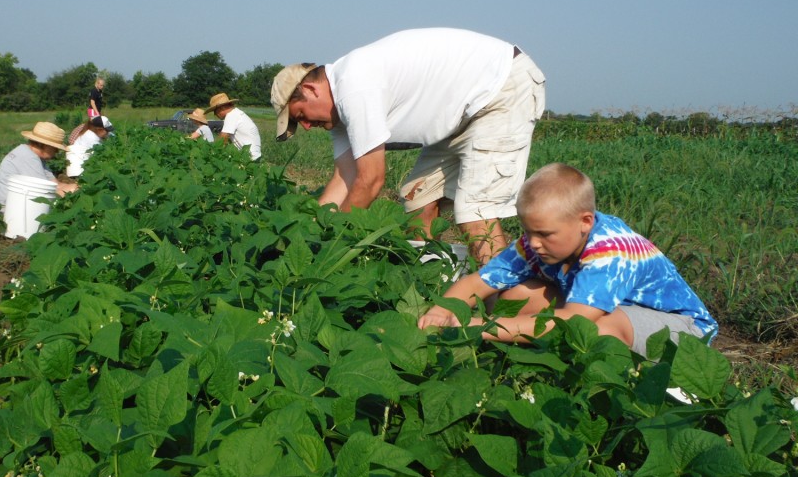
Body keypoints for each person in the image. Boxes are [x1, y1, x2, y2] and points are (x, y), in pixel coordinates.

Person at [271, 28, 546, 263]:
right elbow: (344, 178)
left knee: (474, 211)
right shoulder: (339, 113)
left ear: (311, 90)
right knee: (418, 200)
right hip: (463, 112)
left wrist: (333, 244)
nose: (306, 126)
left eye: (301, 116)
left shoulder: (353, 87)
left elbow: (371, 180)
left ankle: (499, 302)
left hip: (499, 88)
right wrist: (309, 233)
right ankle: (429, 281)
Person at [417, 163, 718, 358]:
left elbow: (576, 320)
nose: (534, 242)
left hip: (683, 331)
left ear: (585, 222)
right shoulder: (539, 242)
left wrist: (480, 326)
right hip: (614, 310)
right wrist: (441, 311)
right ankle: (545, 356)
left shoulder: (610, 251)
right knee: (515, 295)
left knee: (595, 329)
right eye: (528, 231)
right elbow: (479, 282)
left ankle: (619, 381)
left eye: (544, 234)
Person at [0, 121, 78, 206]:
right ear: (45, 145)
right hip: (13, 208)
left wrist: (77, 187)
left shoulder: (35, 156)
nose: (57, 151)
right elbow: (45, 192)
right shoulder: (28, 157)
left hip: (24, 203)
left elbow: (56, 185)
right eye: (55, 148)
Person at [206, 92, 262, 160]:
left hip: (250, 158)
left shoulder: (231, 115)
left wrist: (211, 152)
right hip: (252, 156)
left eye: (215, 111)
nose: (215, 114)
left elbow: (222, 139)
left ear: (221, 108)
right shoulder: (236, 113)